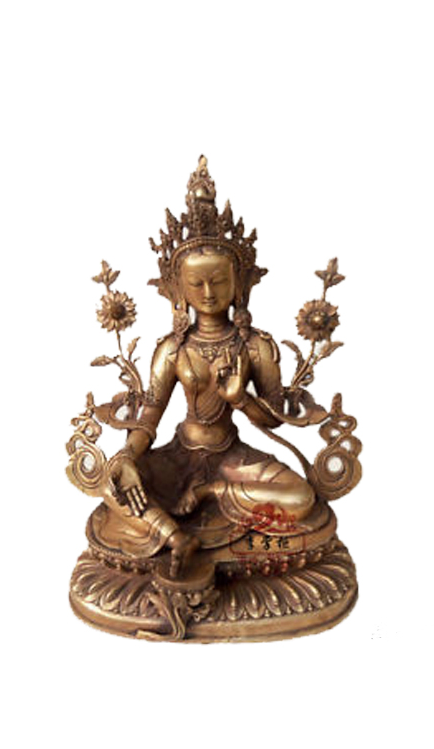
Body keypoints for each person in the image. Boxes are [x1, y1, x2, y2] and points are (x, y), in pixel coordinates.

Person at [95, 158, 318, 578]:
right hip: (178, 455)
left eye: (218, 280)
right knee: (111, 481)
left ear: (239, 283)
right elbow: (148, 420)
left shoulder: (255, 346)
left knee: (302, 498)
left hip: (231, 459)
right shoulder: (172, 349)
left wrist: (241, 399)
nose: (209, 292)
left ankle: (212, 493)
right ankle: (175, 537)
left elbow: (275, 420)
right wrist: (126, 455)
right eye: (196, 283)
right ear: (178, 288)